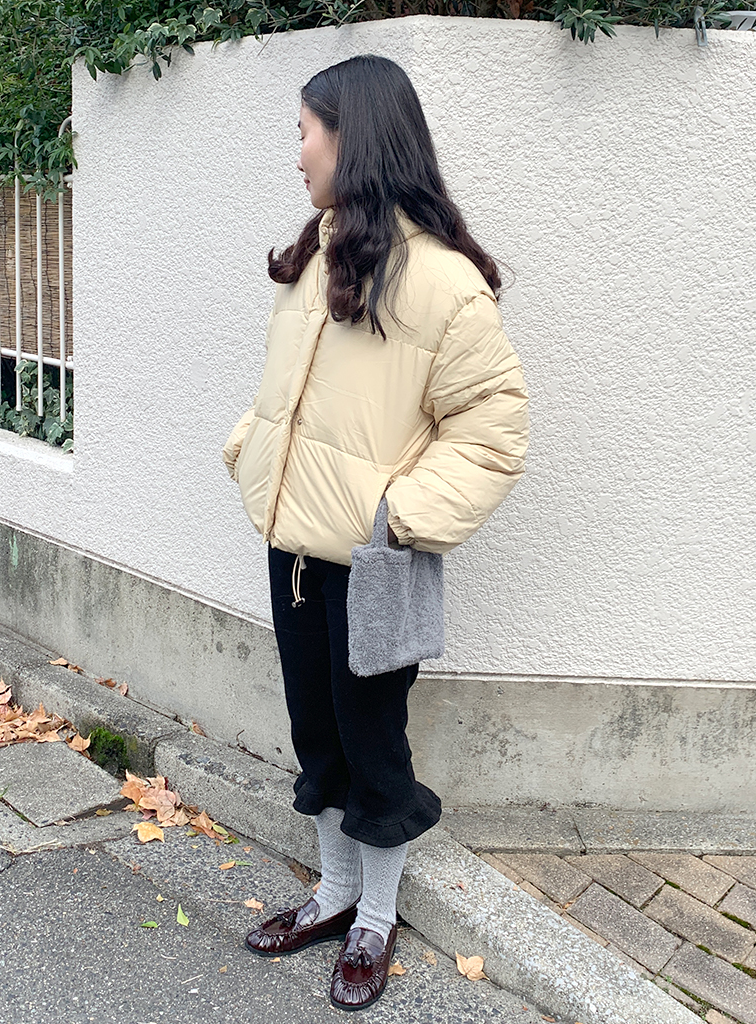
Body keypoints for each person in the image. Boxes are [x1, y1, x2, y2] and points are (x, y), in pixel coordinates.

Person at [223, 53, 529, 1012]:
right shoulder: (313, 256)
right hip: (292, 552)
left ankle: (375, 918)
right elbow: (285, 397)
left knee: (372, 747)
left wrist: (396, 520)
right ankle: (333, 893)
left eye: (305, 132)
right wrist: (248, 448)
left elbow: (493, 431)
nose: (296, 153)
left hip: (371, 564)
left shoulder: (442, 284)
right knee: (315, 734)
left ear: (350, 137)